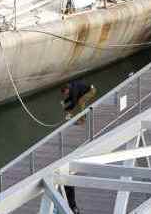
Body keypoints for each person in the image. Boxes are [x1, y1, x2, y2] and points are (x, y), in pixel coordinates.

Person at [60, 79, 98, 212]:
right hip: (85, 89)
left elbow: (74, 101)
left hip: (92, 90)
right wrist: (65, 103)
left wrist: (66, 108)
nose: (65, 95)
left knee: (81, 101)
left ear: (67, 89)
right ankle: (81, 119)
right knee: (78, 101)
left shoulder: (74, 90)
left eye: (65, 94)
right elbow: (70, 98)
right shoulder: (70, 88)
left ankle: (82, 120)